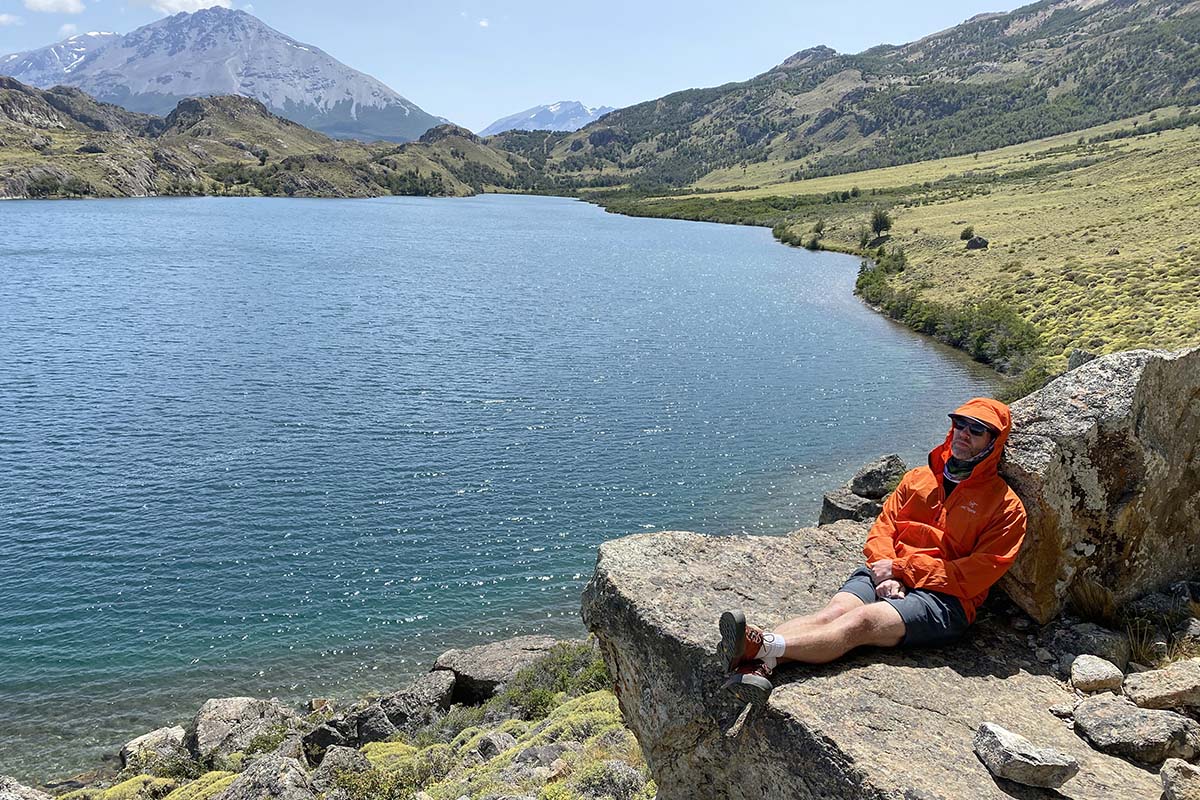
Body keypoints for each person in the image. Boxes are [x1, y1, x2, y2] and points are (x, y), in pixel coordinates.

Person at [718, 397, 1027, 706]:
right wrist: (884, 566)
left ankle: (759, 646)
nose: (963, 433)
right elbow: (884, 527)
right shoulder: (918, 478)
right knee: (834, 613)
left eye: (977, 430)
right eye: (960, 424)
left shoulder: (1005, 507)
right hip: (885, 569)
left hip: (945, 599)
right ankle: (762, 663)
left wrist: (902, 570)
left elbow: (977, 573)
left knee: (861, 622)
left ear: (993, 442)